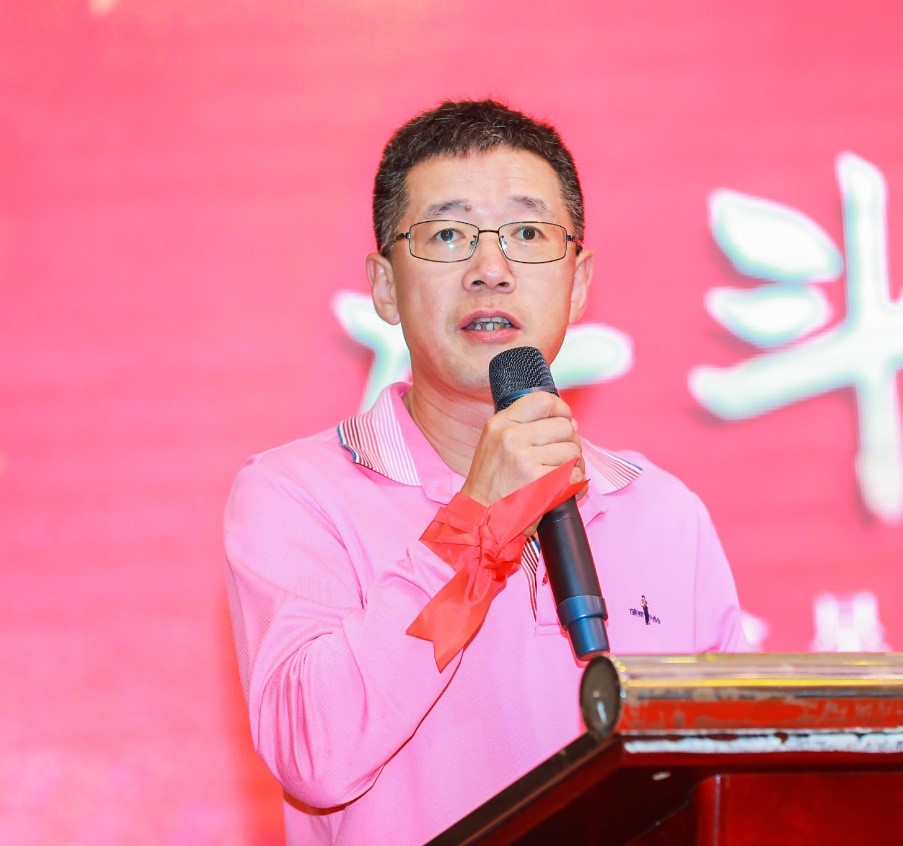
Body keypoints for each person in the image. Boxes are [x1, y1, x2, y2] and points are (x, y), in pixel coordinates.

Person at [224, 99, 748, 844]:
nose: (490, 270)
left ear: (577, 281)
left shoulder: (663, 514)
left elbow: (725, 783)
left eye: (528, 234)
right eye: (447, 235)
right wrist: (477, 524)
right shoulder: (295, 496)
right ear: (383, 285)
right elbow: (314, 755)